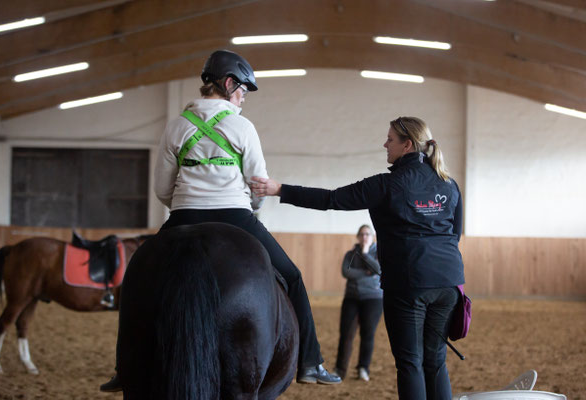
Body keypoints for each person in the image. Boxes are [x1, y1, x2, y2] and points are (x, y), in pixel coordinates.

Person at [100, 49, 340, 392]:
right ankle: (310, 361)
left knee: (139, 275)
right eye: (243, 91)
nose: (243, 99)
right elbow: (258, 183)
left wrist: (187, 203)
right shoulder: (242, 126)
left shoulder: (176, 126)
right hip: (236, 217)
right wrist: (245, 200)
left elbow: (162, 189)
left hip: (181, 216)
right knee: (293, 276)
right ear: (228, 84)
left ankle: (125, 367)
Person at [252, 116, 465, 400]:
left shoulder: (387, 184)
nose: (384, 144)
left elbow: (332, 199)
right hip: (449, 282)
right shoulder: (449, 184)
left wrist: (280, 190)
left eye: (390, 139)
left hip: (409, 284)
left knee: (410, 362)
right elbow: (455, 232)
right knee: (435, 360)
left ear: (407, 145)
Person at [334, 224, 383, 382]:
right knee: (346, 335)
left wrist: (366, 253)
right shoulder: (350, 254)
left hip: (373, 299)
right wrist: (366, 274)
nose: (364, 237)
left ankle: (363, 368)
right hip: (352, 298)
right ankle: (340, 370)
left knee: (367, 334)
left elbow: (378, 270)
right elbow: (346, 272)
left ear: (372, 236)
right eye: (362, 234)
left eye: (367, 234)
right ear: (357, 236)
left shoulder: (378, 253)